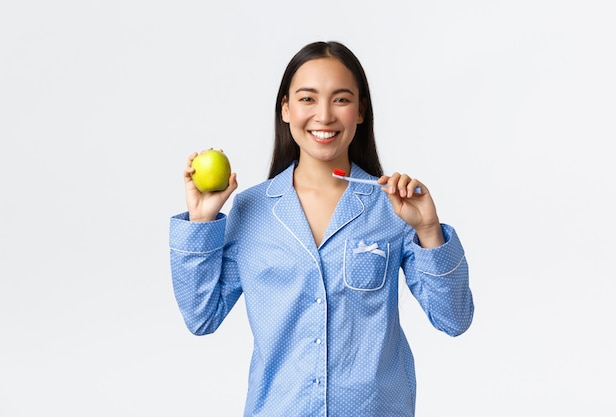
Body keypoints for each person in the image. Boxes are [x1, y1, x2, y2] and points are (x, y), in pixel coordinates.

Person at [169, 41, 474, 417]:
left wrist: (429, 229)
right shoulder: (251, 210)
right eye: (308, 99)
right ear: (286, 108)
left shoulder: (393, 207)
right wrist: (201, 223)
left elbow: (455, 318)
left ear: (360, 111)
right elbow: (202, 317)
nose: (324, 115)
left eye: (341, 100)